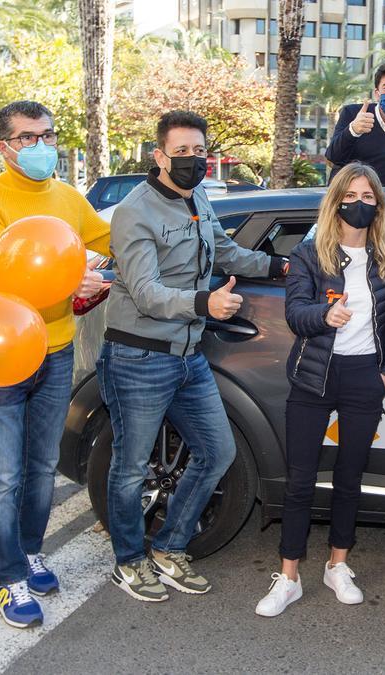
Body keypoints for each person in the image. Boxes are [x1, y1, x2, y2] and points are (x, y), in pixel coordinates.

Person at [100, 110, 288, 603]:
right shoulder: (134, 211)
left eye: (199, 151)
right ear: (158, 155)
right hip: (139, 357)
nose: (192, 160)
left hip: (188, 355)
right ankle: (128, 561)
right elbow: (144, 292)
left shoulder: (199, 197)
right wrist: (205, 303)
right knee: (130, 466)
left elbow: (225, 251)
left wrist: (280, 265)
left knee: (217, 452)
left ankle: (169, 547)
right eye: (181, 151)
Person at [0, 100, 110, 629]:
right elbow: (3, 278)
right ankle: (8, 578)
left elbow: (106, 239)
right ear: (4, 147)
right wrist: (75, 283)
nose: (40, 146)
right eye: (27, 138)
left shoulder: (69, 198)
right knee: (2, 476)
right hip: (0, 352)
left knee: (43, 467)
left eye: (47, 135)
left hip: (55, 348)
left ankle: (28, 551)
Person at [254, 162, 385, 617]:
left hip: (365, 377)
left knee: (349, 478)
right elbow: (295, 314)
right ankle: (288, 576)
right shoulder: (309, 254)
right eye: (351, 196)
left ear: (377, 205)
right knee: (300, 481)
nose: (359, 204)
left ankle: (337, 564)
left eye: (368, 197)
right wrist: (324, 316)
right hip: (313, 376)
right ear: (336, 199)